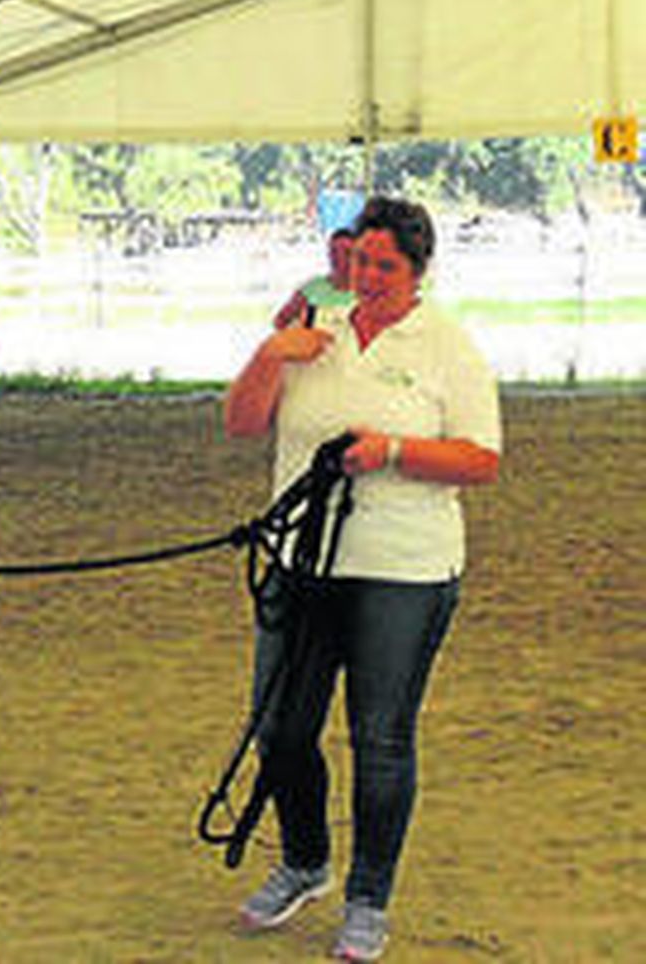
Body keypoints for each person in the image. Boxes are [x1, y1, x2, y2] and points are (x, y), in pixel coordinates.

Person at [222, 197, 501, 961]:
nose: (368, 276)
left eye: (385, 265)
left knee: (380, 738)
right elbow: (241, 423)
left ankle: (368, 899)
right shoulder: (314, 332)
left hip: (403, 570)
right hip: (303, 563)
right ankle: (305, 861)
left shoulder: (448, 344)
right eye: (359, 260)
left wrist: (393, 451)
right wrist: (271, 353)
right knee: (279, 729)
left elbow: (482, 459)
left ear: (417, 271)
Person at [274, 227, 355, 329]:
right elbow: (280, 321)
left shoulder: (366, 292)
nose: (340, 257)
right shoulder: (312, 288)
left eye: (347, 252)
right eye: (334, 251)